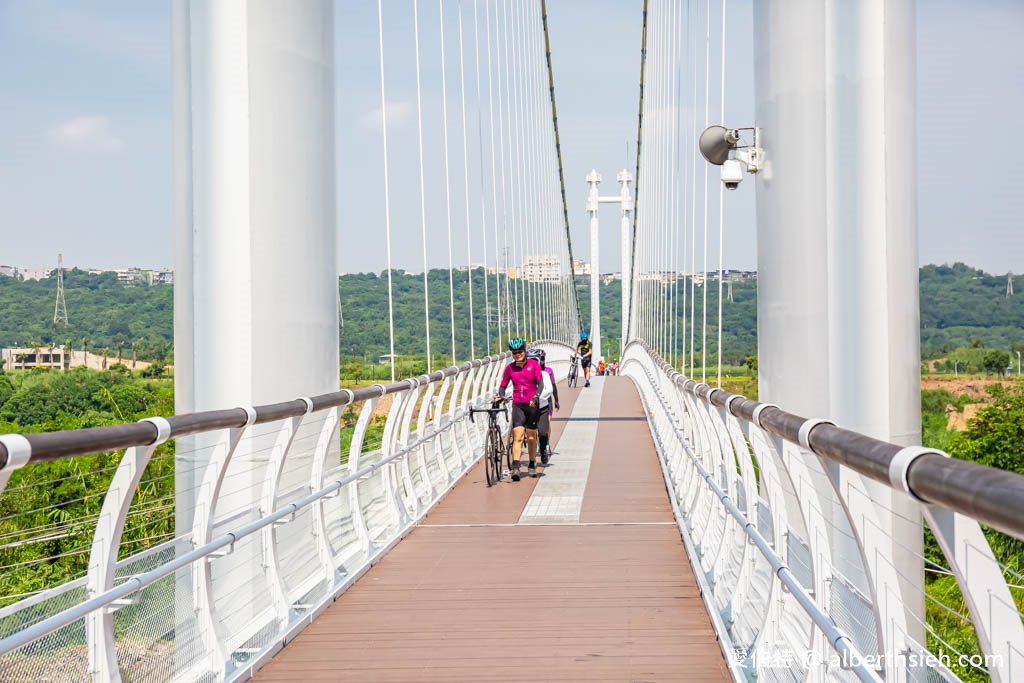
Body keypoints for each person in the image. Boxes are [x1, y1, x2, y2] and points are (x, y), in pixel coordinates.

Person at [494, 337, 544, 480]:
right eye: (514, 353)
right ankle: (516, 467)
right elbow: (503, 386)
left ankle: (532, 463)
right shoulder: (510, 368)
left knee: (531, 437)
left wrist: (536, 396)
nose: (517, 355)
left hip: (532, 405)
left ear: (525, 351)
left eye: (520, 352)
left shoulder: (534, 365)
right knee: (518, 435)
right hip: (518, 405)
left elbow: (540, 384)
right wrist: (501, 396)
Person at [531, 348, 559, 464]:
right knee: (534, 427)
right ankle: (540, 444)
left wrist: (556, 400)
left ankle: (546, 443)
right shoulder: (529, 370)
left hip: (546, 401)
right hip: (533, 402)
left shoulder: (548, 371)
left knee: (546, 422)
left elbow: (553, 386)